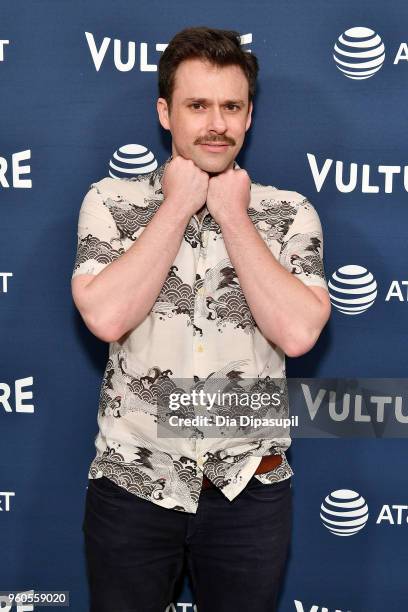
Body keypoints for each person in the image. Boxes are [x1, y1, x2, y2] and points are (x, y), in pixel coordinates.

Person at [71, 25, 331, 612]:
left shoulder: (288, 213)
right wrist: (177, 205)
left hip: (250, 489)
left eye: (231, 107)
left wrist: (233, 218)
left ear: (249, 116)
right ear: (165, 113)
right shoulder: (111, 204)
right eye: (198, 105)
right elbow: (106, 317)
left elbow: (297, 332)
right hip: (132, 486)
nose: (217, 122)